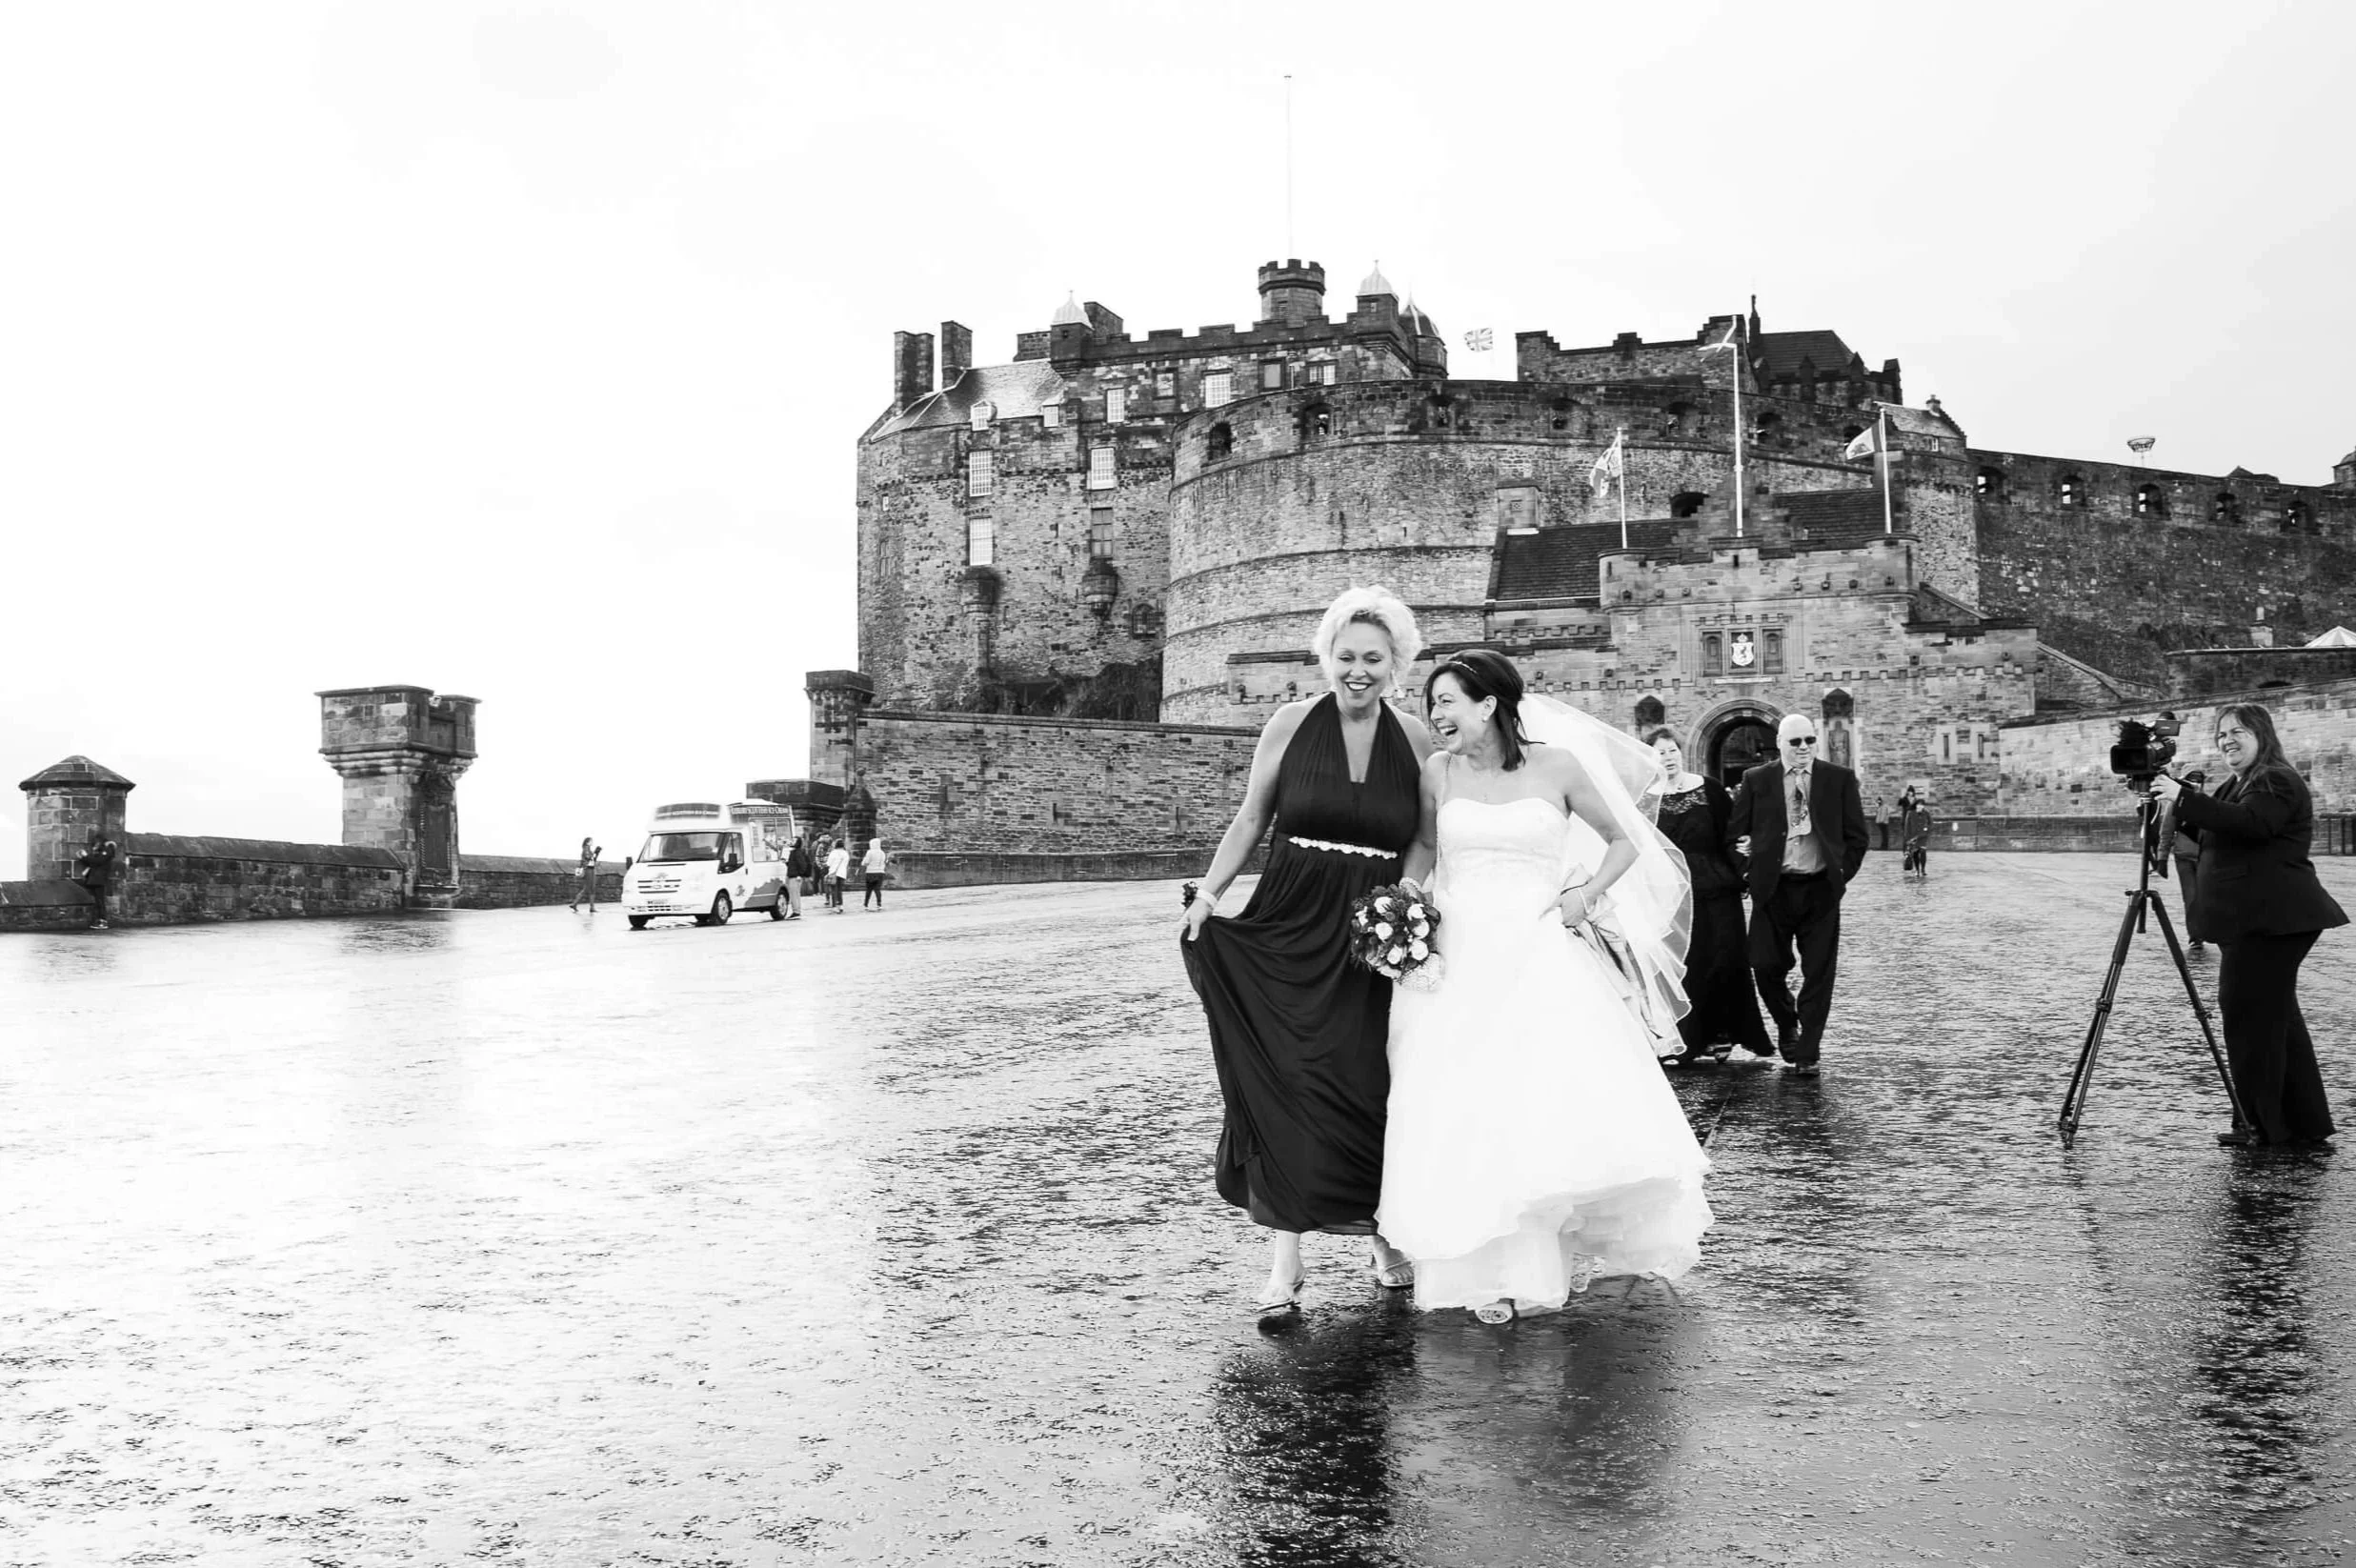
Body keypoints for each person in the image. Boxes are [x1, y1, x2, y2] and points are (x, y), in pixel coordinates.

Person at [1380, 651, 1710, 1322]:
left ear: (1488, 705)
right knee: (1464, 1106)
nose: (1434, 714)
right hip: (1460, 958)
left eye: (1446, 701)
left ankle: (1538, 1259)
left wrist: (1582, 897)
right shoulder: (1436, 773)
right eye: (1430, 702)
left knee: (1538, 1103)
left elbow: (1622, 841)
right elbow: (1423, 849)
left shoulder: (1556, 767)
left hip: (1537, 952)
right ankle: (1484, 1266)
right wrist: (1404, 903)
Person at [1181, 586, 1433, 1317]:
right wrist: (1208, 895)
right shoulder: (1289, 724)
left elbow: (1420, 836)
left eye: (1373, 659)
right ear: (1325, 658)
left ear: (1397, 664)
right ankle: (1285, 1259)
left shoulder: (1415, 738)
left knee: (1367, 1083)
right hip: (1290, 916)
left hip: (1368, 928)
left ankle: (1381, 1233)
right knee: (1286, 1079)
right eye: (1345, 656)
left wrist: (1404, 900)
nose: (1358, 671)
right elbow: (1251, 818)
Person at [2151, 703, 2345, 1149]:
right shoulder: (2236, 783)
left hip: (2273, 920)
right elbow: (2216, 831)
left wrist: (2184, 798)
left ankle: (2261, 1125)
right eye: (2220, 734)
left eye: (2238, 731)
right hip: (2259, 920)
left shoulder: (2275, 778)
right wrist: (2169, 805)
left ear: (2262, 734)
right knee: (2275, 1020)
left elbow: (2254, 824)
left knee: (2249, 1018)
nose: (2227, 741)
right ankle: (2302, 1124)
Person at [1726, 713, 1870, 1074]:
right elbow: (1734, 835)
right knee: (1765, 966)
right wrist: (1745, 862)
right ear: (1780, 744)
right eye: (1796, 742)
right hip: (1774, 890)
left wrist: (1840, 876)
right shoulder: (1756, 779)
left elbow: (1857, 837)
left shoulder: (1839, 779)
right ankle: (1787, 1021)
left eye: (1809, 740)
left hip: (1820, 889)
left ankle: (1808, 1050)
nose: (1804, 747)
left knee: (1820, 972)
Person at [1648, 729, 1774, 1067]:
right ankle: (1692, 1038)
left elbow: (1732, 832)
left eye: (1672, 750)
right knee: (1691, 964)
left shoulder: (1710, 789)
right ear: (1649, 758)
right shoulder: (1646, 799)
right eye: (1660, 753)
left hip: (1718, 888)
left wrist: (1745, 859)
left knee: (1726, 960)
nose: (1668, 757)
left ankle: (1726, 1033)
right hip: (1676, 895)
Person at [74, 835, 118, 931]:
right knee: (97, 901)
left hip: (99, 879)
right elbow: (93, 862)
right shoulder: (102, 852)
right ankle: (98, 920)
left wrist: (85, 856)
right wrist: (82, 858)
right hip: (95, 879)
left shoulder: (107, 851)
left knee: (100, 901)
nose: (94, 847)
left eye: (96, 844)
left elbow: (97, 861)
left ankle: (103, 921)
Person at [1901, 794, 1933, 878]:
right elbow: (1907, 826)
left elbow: (1930, 823)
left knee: (1923, 852)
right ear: (1916, 805)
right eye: (1919, 805)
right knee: (1915, 853)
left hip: (1923, 836)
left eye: (1922, 805)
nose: (1920, 806)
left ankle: (1923, 869)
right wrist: (1907, 838)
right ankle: (1917, 870)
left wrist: (1927, 830)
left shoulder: (1926, 813)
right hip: (1913, 837)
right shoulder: (1910, 813)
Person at [568, 836, 602, 912]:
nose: (592, 842)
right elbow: (588, 857)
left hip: (591, 869)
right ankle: (576, 904)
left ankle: (586, 906)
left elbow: (592, 859)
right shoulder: (586, 849)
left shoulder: (588, 849)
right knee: (588, 888)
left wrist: (596, 853)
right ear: (587, 842)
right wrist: (595, 853)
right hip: (588, 869)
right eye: (591, 841)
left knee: (591, 888)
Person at [784, 835, 811, 919]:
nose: (792, 841)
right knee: (794, 894)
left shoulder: (797, 852)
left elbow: (802, 865)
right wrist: (787, 863)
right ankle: (796, 910)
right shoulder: (794, 852)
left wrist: (799, 874)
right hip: (792, 875)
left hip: (795, 876)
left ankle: (796, 911)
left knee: (794, 895)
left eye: (794, 840)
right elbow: (794, 865)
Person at [861, 837, 889, 909]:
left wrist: (863, 862)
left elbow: (866, 862)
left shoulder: (870, 852)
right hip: (880, 872)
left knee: (869, 889)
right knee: (877, 889)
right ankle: (879, 904)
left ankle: (866, 904)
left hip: (870, 872)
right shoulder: (882, 853)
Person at [824, 838, 852, 912]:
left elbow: (828, 863)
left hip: (833, 873)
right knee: (839, 890)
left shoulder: (833, 852)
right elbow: (846, 864)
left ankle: (834, 906)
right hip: (842, 873)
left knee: (834, 890)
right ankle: (841, 905)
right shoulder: (845, 853)